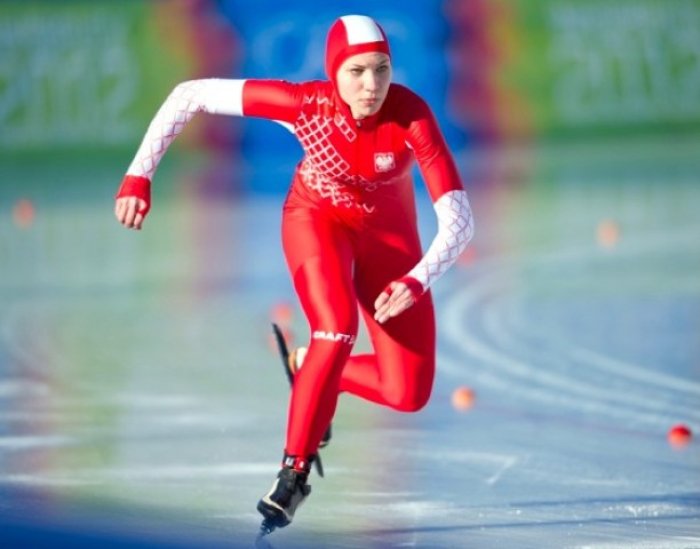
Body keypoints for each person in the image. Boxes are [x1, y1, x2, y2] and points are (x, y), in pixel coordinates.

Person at [114, 14, 474, 533]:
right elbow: (189, 94)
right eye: (356, 72)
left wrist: (416, 278)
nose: (371, 85)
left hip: (390, 244)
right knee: (337, 327)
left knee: (408, 393)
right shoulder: (305, 104)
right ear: (333, 73)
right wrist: (137, 176)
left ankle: (317, 370)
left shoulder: (411, 113)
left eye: (381, 69)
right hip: (317, 221)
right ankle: (293, 474)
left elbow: (459, 220)